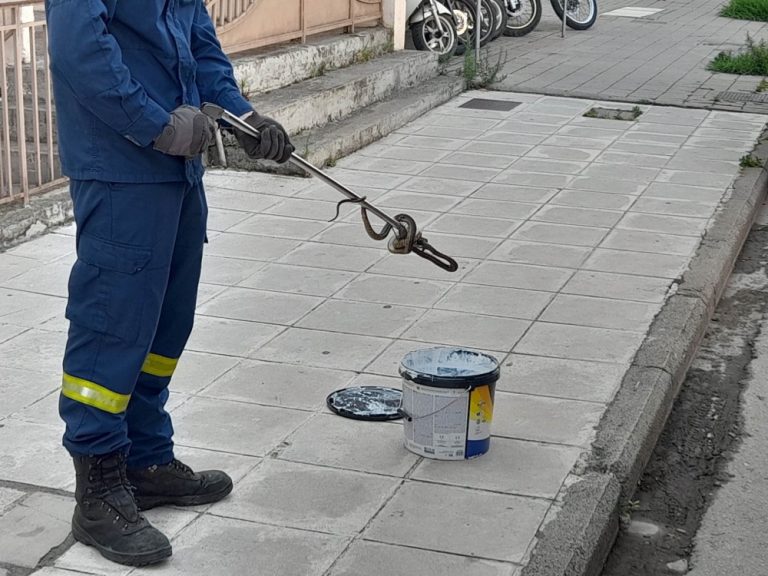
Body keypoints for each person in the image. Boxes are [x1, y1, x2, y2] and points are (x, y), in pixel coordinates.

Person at [45, 0, 294, 566]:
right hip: (121, 169)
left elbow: (199, 44)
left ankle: (148, 462)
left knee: (164, 327)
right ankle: (98, 491)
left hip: (178, 169)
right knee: (112, 327)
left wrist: (242, 116)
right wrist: (156, 126)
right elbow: (79, 50)